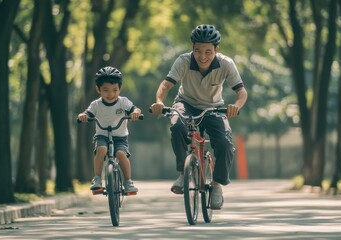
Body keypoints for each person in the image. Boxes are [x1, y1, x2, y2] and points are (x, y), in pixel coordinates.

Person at [150, 24, 248, 209]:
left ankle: (217, 185)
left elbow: (242, 93)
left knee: (225, 143)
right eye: (198, 51)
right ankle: (182, 172)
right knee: (177, 125)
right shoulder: (183, 61)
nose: (202, 56)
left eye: (208, 52)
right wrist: (160, 102)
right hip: (185, 103)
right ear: (192, 48)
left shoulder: (226, 63)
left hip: (214, 107)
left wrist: (236, 106)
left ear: (216, 50)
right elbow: (165, 85)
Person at [78, 66, 142, 194]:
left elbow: (136, 109)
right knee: (101, 149)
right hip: (102, 135)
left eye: (114, 90)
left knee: (120, 154)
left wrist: (135, 113)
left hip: (120, 136)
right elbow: (88, 113)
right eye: (106, 90)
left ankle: (128, 181)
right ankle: (97, 179)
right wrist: (83, 116)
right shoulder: (96, 104)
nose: (110, 94)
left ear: (120, 89)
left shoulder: (123, 102)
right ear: (98, 89)